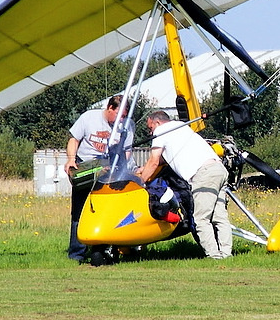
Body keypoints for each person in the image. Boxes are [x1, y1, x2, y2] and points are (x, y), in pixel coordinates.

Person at [135, 110, 232, 259]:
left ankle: (214, 256)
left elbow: (154, 161)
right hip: (219, 170)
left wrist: (139, 183)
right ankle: (226, 254)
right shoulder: (181, 126)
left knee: (201, 218)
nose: (150, 132)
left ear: (158, 122)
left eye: (150, 128)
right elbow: (165, 158)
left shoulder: (161, 131)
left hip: (203, 175)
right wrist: (144, 169)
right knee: (219, 217)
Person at [65, 95, 135, 262]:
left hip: (110, 166)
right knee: (80, 210)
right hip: (86, 164)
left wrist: (123, 170)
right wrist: (71, 159)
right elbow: (74, 139)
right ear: (110, 108)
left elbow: (126, 151)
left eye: (124, 116)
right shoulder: (89, 117)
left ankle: (103, 250)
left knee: (105, 211)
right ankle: (77, 254)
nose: (121, 120)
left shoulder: (127, 126)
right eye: (119, 115)